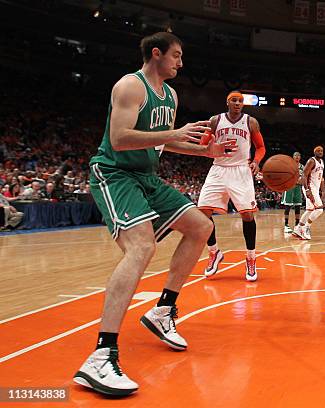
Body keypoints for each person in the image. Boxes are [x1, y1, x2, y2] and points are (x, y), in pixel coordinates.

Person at [73, 32, 235, 397]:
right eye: (176, 55)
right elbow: (119, 139)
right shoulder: (131, 86)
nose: (180, 62)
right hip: (115, 174)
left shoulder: (171, 95)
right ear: (156, 53)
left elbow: (163, 141)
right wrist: (176, 132)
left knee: (200, 226)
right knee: (141, 248)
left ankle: (163, 310)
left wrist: (204, 153)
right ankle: (101, 354)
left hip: (146, 177)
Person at [197, 91, 266, 281]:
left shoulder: (251, 122)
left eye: (240, 101)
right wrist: (209, 144)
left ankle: (251, 258)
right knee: (203, 213)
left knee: (247, 214)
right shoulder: (215, 121)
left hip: (241, 170)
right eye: (234, 100)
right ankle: (214, 253)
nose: (238, 103)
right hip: (218, 168)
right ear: (227, 102)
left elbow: (260, 147)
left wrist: (256, 161)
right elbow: (203, 146)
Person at [293, 146, 325, 240]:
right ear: (314, 152)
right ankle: (306, 227)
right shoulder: (311, 161)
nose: (320, 152)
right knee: (319, 209)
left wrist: (323, 191)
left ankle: (298, 229)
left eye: (321, 151)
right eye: (318, 151)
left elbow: (321, 177)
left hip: (315, 188)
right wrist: (307, 190)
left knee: (310, 210)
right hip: (310, 188)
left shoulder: (322, 162)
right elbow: (304, 174)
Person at [281, 152, 304, 234]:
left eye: (299, 155)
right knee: (288, 206)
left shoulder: (302, 167)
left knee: (298, 206)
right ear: (293, 157)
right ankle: (286, 225)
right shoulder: (288, 165)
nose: (297, 157)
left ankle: (297, 225)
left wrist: (302, 181)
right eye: (295, 155)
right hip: (289, 187)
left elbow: (304, 177)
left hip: (298, 187)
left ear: (300, 157)